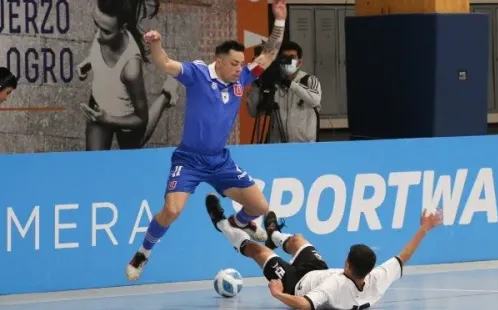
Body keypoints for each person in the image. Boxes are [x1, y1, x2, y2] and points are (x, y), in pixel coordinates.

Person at [125, 0, 288, 281]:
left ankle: (239, 224)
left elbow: (269, 55)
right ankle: (143, 252)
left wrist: (280, 21)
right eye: (234, 64)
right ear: (219, 60)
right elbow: (164, 62)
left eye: (241, 63)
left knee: (260, 207)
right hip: (189, 160)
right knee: (172, 209)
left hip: (219, 160)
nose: (240, 68)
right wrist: (155, 43)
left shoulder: (242, 79)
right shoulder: (198, 74)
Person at [205, 193, 443, 310]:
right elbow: (403, 257)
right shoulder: (376, 279)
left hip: (293, 283)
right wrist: (424, 228)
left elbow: (304, 305)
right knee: (298, 240)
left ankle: (221, 224)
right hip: (318, 272)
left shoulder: (335, 288)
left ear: (348, 264)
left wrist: (278, 293)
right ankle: (273, 234)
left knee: (255, 250)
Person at [77, 0, 174, 150]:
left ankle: (166, 95)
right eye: (97, 25)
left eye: (106, 31)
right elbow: (101, 54)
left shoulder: (131, 69)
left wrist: (109, 119)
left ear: (122, 28)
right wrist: (88, 62)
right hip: (99, 106)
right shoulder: (106, 29)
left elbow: (141, 119)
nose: (99, 36)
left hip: (125, 117)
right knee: (93, 163)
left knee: (136, 144)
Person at [247, 41, 322, 143]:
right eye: (284, 57)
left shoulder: (309, 80)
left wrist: (289, 83)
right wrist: (257, 83)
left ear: (299, 62)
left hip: (304, 145)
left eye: (292, 57)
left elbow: (315, 100)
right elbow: (254, 112)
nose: (287, 61)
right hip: (277, 146)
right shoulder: (273, 82)